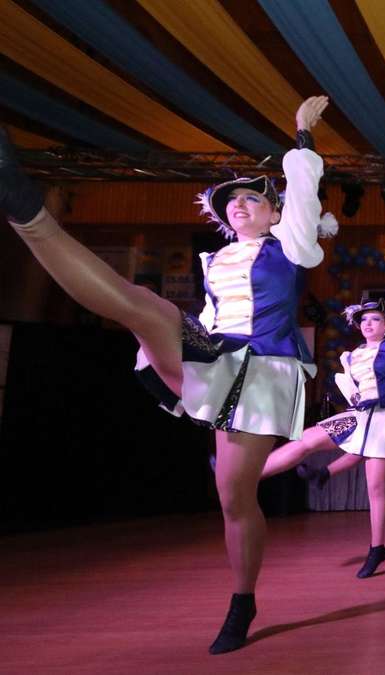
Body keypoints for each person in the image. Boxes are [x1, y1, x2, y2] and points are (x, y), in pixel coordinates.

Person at [1, 97, 337, 653]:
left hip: (263, 371)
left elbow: (302, 198)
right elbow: (205, 324)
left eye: (252, 200)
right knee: (141, 304)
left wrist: (303, 138)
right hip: (215, 357)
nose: (238, 209)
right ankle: (27, 213)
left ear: (276, 212)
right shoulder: (217, 264)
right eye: (231, 205)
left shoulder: (292, 246)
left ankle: (243, 598)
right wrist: (171, 351)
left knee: (233, 498)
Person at [258, 255, 385, 575]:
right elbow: (352, 389)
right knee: (305, 440)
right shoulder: (352, 356)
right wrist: (354, 397)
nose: (368, 323)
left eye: (375, 320)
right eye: (364, 320)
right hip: (359, 416)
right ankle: (250, 474)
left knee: (375, 488)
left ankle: (377, 547)